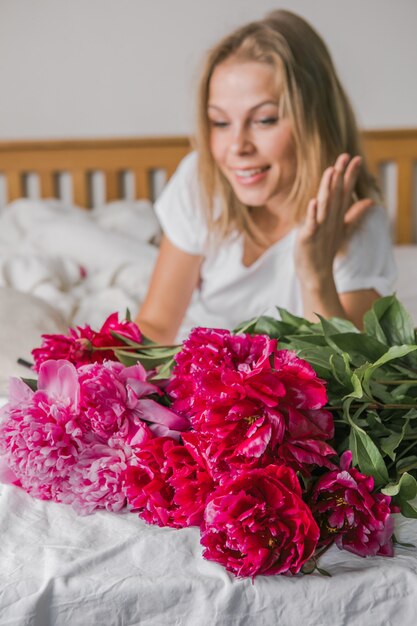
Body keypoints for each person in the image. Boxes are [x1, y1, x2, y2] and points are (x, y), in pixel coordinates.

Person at [136, 9, 396, 344]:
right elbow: (156, 326)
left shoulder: (357, 220)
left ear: (314, 121)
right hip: (198, 383)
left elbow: (349, 376)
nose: (237, 147)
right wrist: (96, 370)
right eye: (220, 122)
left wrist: (315, 274)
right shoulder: (200, 180)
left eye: (264, 120)